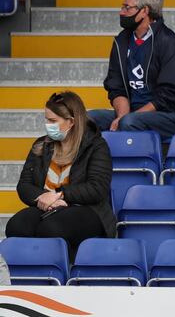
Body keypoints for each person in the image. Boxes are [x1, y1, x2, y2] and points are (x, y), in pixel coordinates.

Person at [6, 92, 116, 259]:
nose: (47, 125)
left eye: (52, 121)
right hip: (46, 208)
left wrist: (60, 195)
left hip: (86, 209)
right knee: (16, 226)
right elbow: (24, 185)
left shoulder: (96, 146)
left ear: (71, 122)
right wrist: (44, 198)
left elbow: (97, 188)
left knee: (51, 229)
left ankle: (57, 276)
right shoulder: (41, 145)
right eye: (46, 119)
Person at [88, 0, 175, 141]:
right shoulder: (121, 41)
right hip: (133, 114)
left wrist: (128, 118)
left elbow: (167, 96)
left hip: (173, 114)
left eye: (127, 7)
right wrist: (122, 115)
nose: (121, 12)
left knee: (130, 123)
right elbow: (116, 87)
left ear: (145, 11)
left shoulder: (169, 43)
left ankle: (131, 165)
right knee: (88, 120)